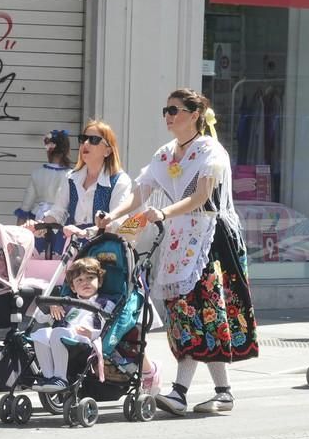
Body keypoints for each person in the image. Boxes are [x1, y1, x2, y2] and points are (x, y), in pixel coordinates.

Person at [98, 88, 258, 415]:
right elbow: (141, 192)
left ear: (194, 114)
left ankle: (183, 391)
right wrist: (113, 216)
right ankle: (219, 392)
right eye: (166, 110)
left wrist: (165, 213)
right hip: (179, 238)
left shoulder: (211, 151)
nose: (168, 117)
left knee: (203, 312)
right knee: (184, 314)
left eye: (174, 110)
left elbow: (201, 197)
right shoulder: (166, 153)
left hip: (211, 238)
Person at [31, 257, 160, 393]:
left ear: (99, 282)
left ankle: (60, 378)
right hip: (65, 336)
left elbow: (108, 326)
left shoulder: (105, 302)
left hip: (87, 339)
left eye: (90, 278)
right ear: (73, 287)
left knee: (58, 332)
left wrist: (91, 333)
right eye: (79, 280)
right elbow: (40, 317)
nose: (85, 283)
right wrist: (52, 306)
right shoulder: (67, 303)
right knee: (40, 333)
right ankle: (48, 377)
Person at [25, 119, 132, 240]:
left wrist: (86, 232)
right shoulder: (71, 178)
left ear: (107, 151)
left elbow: (116, 223)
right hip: (72, 247)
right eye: (83, 139)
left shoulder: (120, 180)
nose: (85, 143)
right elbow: (58, 212)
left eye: (94, 140)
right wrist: (40, 226)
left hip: (103, 248)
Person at [14, 130, 73, 257]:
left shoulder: (37, 173)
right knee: (60, 256)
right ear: (67, 150)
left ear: (48, 149)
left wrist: (18, 235)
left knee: (37, 255)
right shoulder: (72, 175)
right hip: (63, 221)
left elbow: (25, 206)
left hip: (39, 219)